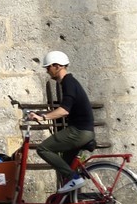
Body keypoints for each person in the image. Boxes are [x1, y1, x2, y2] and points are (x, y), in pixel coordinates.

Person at [31, 50, 95, 196]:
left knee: (43, 149)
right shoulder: (69, 82)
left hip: (79, 131)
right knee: (65, 164)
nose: (47, 71)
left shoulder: (68, 82)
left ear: (57, 66)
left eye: (48, 67)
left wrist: (43, 118)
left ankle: (74, 178)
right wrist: (41, 114)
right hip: (83, 130)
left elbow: (64, 111)